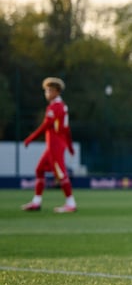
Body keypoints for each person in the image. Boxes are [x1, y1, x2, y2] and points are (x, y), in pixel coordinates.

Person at [21, 77, 77, 213]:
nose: (47, 93)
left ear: (57, 92)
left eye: (50, 90)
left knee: (60, 173)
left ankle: (71, 203)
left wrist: (30, 137)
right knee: (39, 170)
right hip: (56, 143)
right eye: (46, 90)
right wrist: (69, 146)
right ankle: (36, 202)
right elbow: (67, 129)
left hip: (55, 144)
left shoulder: (55, 107)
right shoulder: (62, 106)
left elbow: (46, 125)